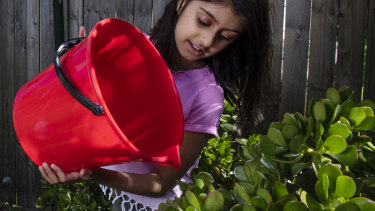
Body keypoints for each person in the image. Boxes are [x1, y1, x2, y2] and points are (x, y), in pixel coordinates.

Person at [39, 0, 271, 210]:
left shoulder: (206, 96)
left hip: (151, 204)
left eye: (225, 37)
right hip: (111, 189)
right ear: (181, 3)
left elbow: (161, 182)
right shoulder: (130, 46)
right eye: (204, 21)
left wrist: (94, 175)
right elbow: (93, 113)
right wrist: (79, 66)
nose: (206, 41)